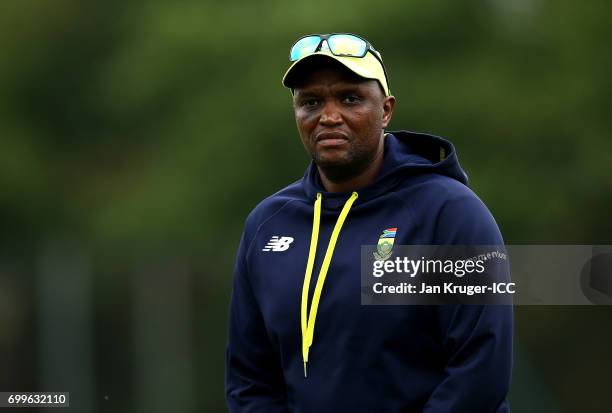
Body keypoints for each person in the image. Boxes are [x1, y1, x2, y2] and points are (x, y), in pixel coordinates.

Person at [225, 33, 512, 412]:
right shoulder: (267, 224)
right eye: (310, 102)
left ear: (386, 110)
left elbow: (480, 370)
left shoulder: (449, 213)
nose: (328, 116)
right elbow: (250, 380)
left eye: (350, 99)